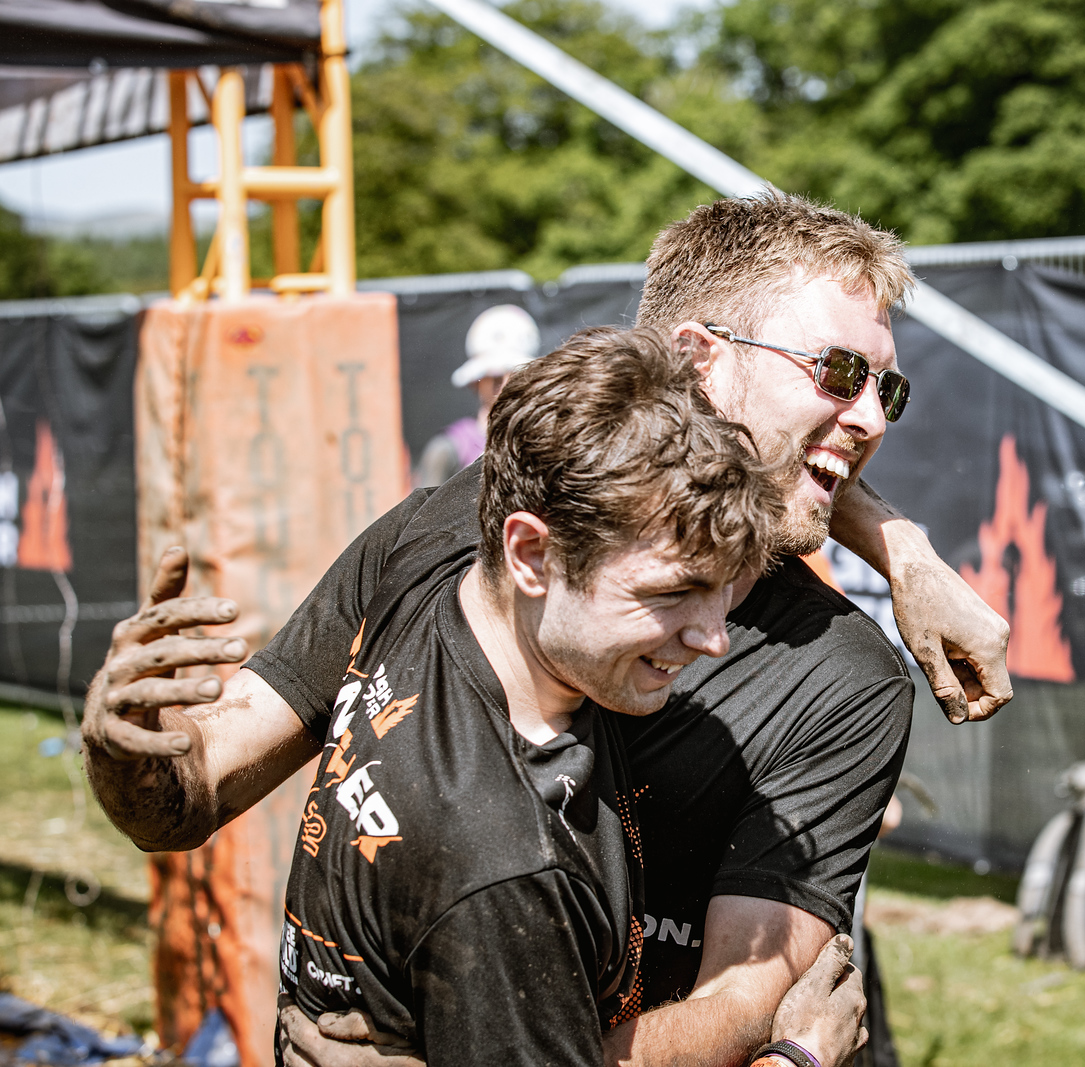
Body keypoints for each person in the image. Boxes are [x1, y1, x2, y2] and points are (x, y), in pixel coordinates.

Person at [82, 192, 1012, 1067]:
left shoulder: (843, 678)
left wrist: (903, 547)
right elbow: (189, 791)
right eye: (838, 371)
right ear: (699, 358)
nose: (870, 417)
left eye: (887, 390)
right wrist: (126, 748)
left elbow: (750, 992)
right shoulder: (461, 519)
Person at [280, 325, 791, 1064]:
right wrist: (800, 1057)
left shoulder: (440, 575)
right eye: (672, 592)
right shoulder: (508, 869)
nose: (714, 638)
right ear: (530, 553)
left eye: (724, 589)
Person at [413, 304, 539, 488]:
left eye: (516, 376)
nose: (506, 385)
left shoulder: (542, 440)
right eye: (496, 378)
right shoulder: (450, 448)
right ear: (475, 382)